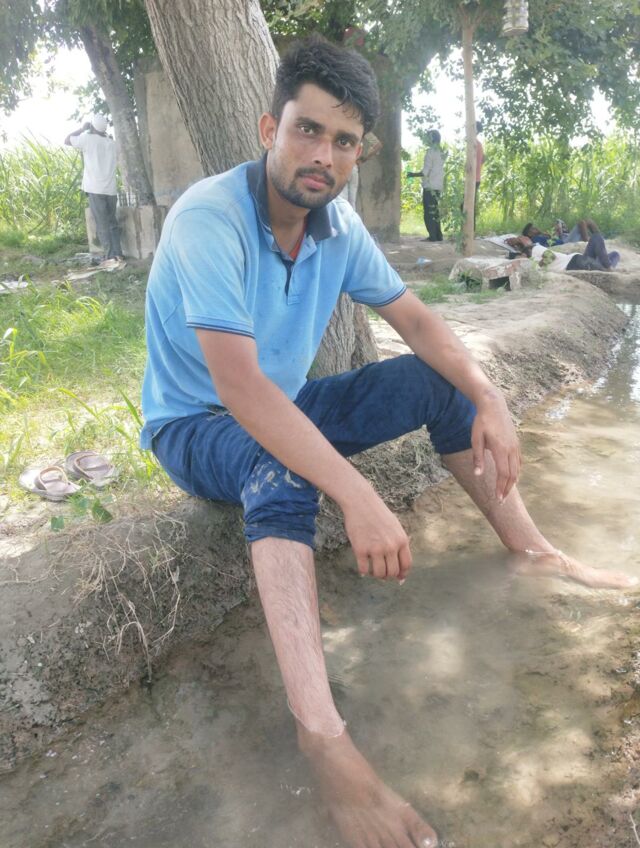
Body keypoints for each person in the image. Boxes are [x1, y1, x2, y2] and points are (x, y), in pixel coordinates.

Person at [140, 36, 635, 848]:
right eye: (307, 130)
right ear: (269, 128)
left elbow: (419, 323)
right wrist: (357, 492)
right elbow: (241, 391)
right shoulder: (208, 218)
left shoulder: (335, 228)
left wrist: (491, 397)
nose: (323, 156)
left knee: (439, 384)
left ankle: (535, 552)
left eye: (344, 141)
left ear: (359, 153)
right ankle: (324, 739)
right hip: (194, 425)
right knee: (280, 467)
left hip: (285, 403)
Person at [65, 115, 124, 266]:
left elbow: (67, 140)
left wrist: (82, 129)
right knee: (112, 222)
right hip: (111, 189)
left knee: (102, 224)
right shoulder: (112, 143)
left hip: (96, 189)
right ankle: (118, 254)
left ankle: (110, 257)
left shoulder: (87, 138)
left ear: (92, 126)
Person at [407, 129, 447, 241]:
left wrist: (412, 174)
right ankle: (438, 235)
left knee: (429, 213)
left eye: (428, 138)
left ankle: (432, 236)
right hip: (438, 185)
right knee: (435, 211)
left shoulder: (430, 152)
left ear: (431, 139)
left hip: (429, 186)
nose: (426, 140)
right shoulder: (442, 152)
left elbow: (425, 172)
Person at [533, 231, 620, 272]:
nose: (526, 239)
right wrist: (538, 267)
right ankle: (608, 268)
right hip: (575, 262)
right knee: (596, 237)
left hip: (580, 260)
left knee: (615, 254)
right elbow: (551, 256)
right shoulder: (534, 248)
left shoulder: (533, 253)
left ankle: (604, 266)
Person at [339, 129, 382, 209]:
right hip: (354, 167)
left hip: (343, 165)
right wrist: (364, 159)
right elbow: (377, 145)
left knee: (341, 201)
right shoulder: (362, 129)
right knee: (352, 202)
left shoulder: (342, 126)